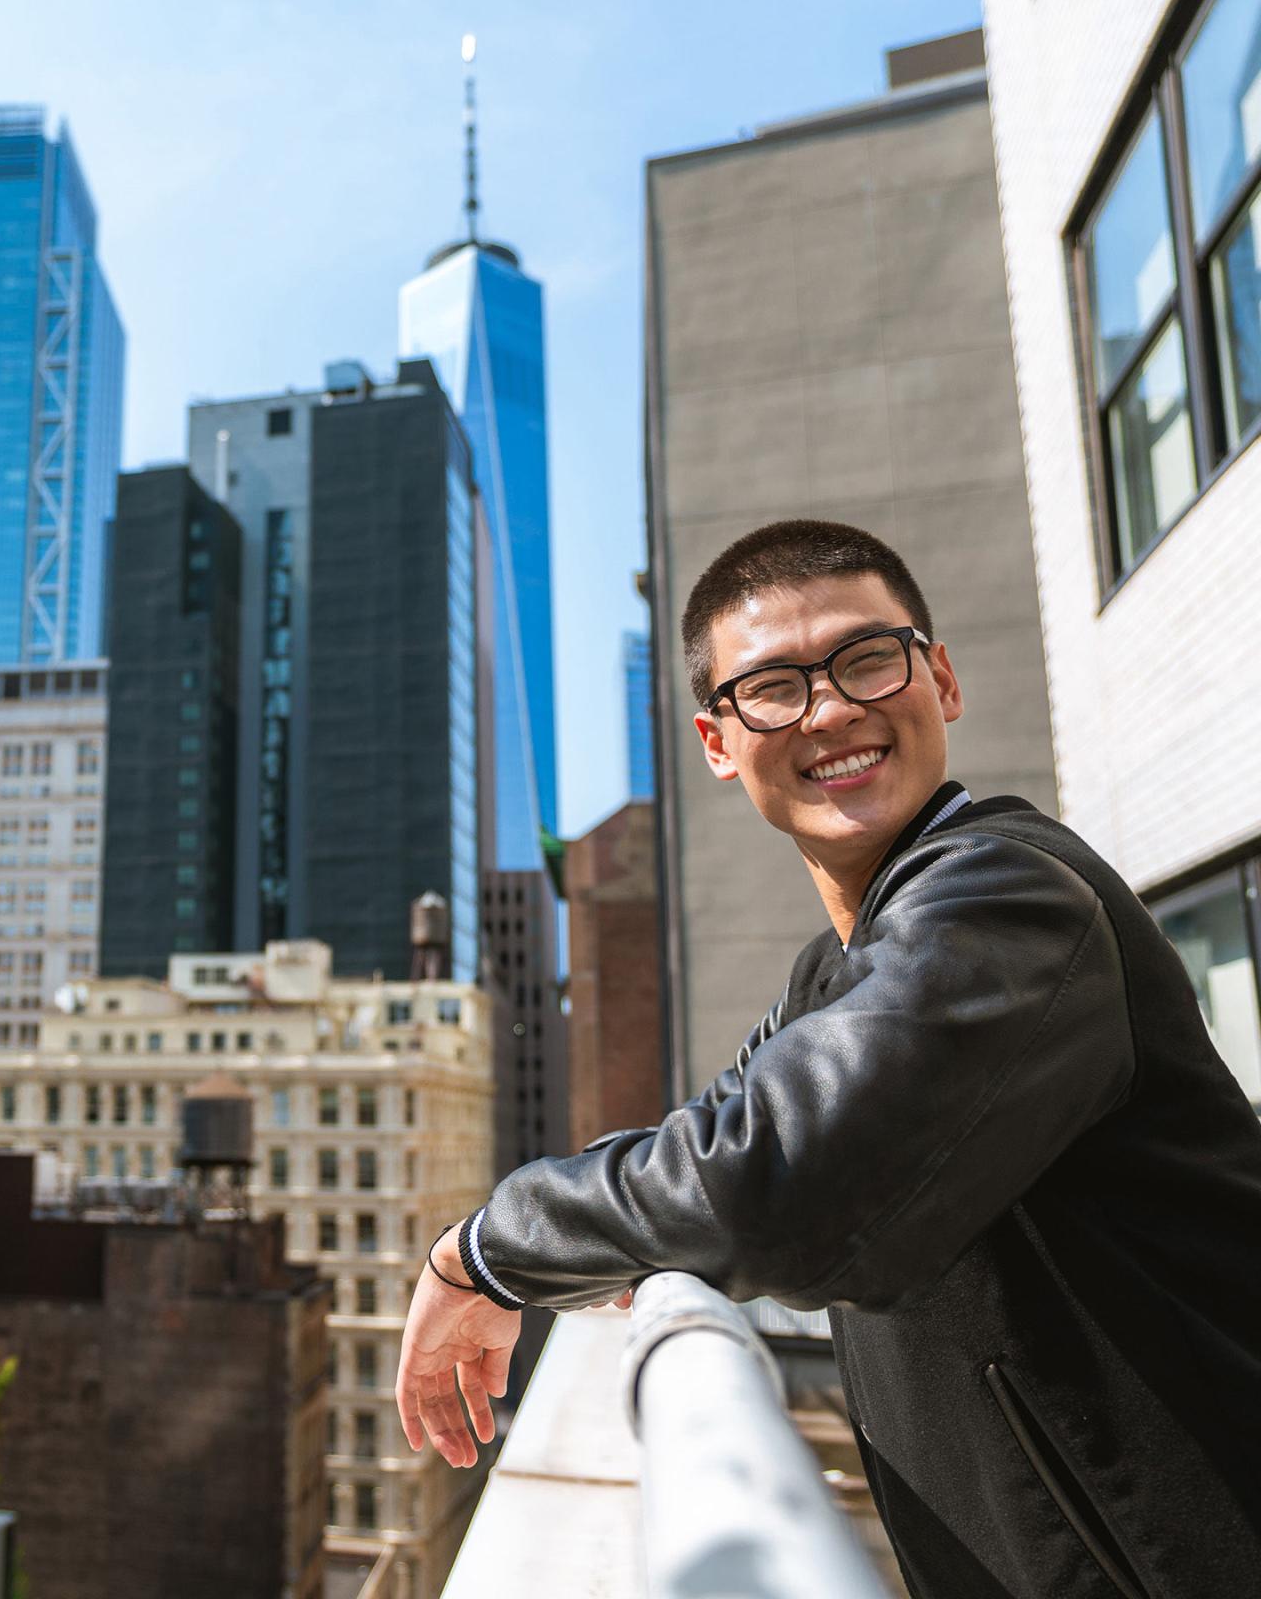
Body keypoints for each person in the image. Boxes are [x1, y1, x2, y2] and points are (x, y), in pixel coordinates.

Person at [396, 520, 1261, 1599]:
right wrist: (582, 1241)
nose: (832, 708)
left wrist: (486, 1249)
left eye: (865, 659)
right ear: (719, 742)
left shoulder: (1009, 896)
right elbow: (708, 1141)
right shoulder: (843, 968)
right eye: (772, 686)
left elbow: (781, 1191)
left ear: (937, 677)